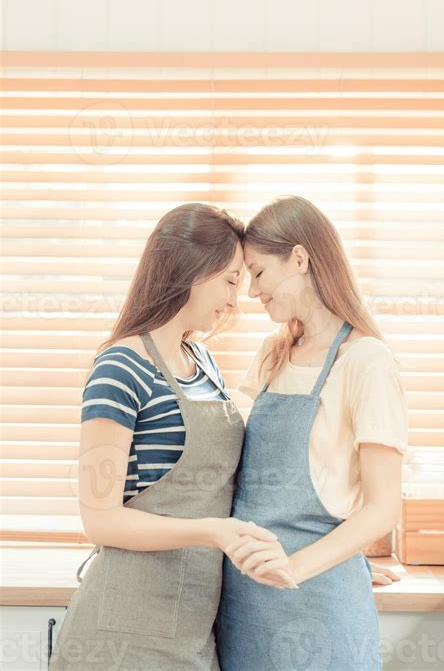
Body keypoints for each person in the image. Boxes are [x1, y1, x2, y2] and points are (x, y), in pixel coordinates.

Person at [49, 203, 288, 671]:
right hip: (119, 634)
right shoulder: (120, 368)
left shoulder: (203, 363)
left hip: (192, 631)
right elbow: (100, 520)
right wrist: (212, 531)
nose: (235, 300)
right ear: (192, 270)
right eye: (231, 280)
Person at [215, 195, 409, 671]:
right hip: (244, 603)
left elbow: (383, 507)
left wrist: (300, 567)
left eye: (258, 273)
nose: (252, 291)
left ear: (299, 258)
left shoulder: (365, 360)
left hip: (318, 603)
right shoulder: (272, 353)